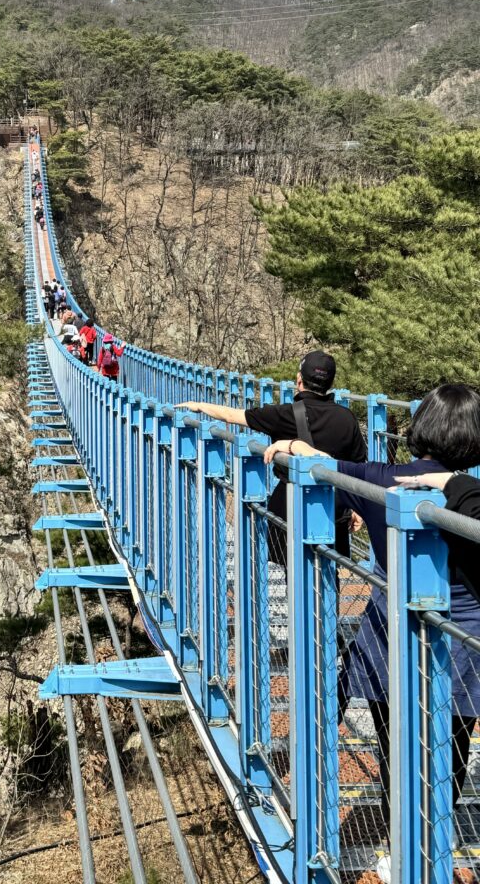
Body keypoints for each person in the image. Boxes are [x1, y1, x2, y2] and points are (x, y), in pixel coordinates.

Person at [263, 384, 480, 850]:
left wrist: (296, 448)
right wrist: (453, 484)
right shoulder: (472, 497)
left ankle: (400, 839)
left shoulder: (379, 479)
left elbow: (329, 471)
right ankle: (432, 845)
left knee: (393, 747)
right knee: (451, 751)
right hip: (462, 641)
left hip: (389, 633)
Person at [179, 351, 366, 564]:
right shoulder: (347, 418)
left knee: (293, 569)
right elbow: (358, 466)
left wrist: (199, 405)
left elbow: (233, 416)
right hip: (333, 507)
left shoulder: (284, 414)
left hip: (291, 504)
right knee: (329, 570)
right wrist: (357, 508)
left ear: (298, 379)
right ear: (330, 383)